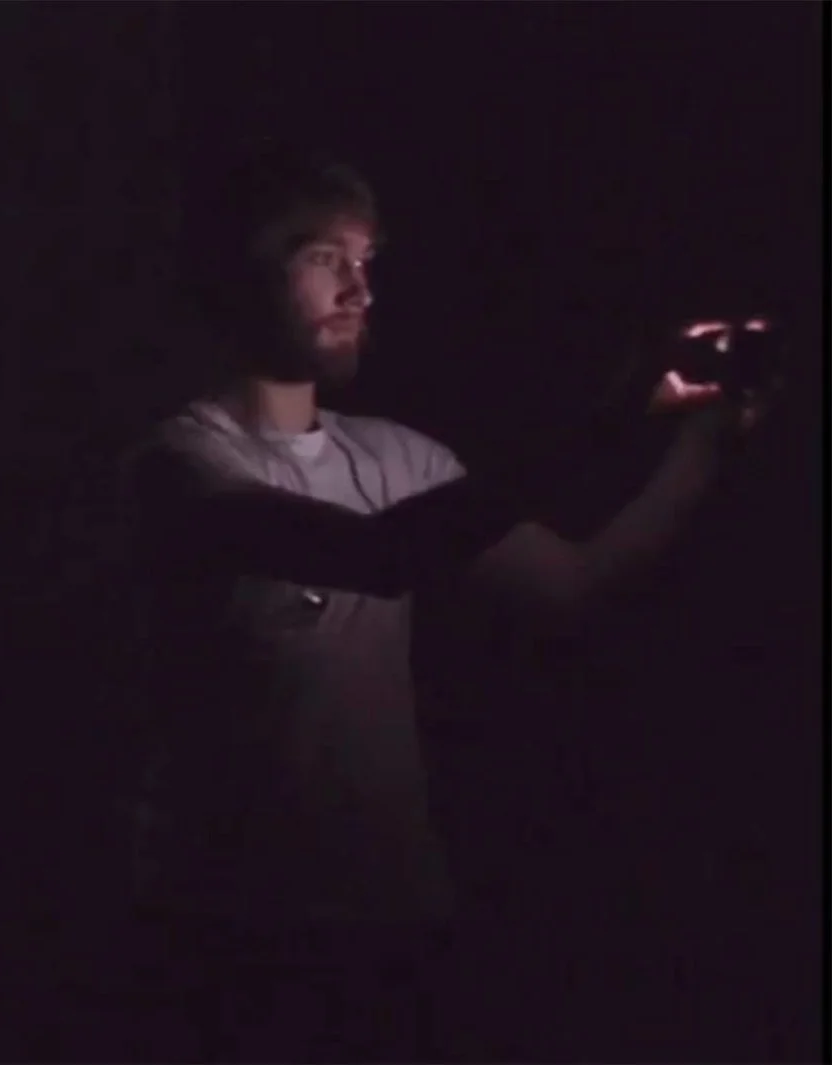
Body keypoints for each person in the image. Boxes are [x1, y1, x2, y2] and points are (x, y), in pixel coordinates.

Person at [119, 148, 775, 1062]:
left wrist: (700, 444)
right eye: (322, 256)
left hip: (393, 919)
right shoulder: (183, 467)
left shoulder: (401, 458)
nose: (358, 289)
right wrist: (614, 411)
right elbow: (380, 554)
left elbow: (570, 587)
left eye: (365, 260)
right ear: (237, 275)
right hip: (229, 929)